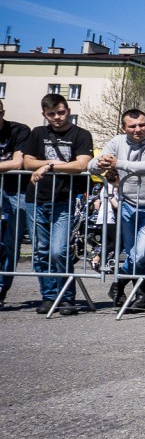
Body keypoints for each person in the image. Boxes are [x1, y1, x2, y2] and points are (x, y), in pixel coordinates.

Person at [88, 108, 145, 309]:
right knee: (135, 254)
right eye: (132, 126)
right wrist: (101, 163)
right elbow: (91, 166)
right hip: (126, 205)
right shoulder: (117, 141)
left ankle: (118, 284)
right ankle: (142, 297)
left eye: (142, 124)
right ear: (124, 128)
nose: (138, 129)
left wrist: (119, 163)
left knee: (140, 255)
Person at [22, 94, 93, 314]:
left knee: (59, 251)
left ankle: (66, 297)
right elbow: (27, 162)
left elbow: (81, 165)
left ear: (68, 111)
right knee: (40, 252)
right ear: (44, 114)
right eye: (51, 114)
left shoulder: (81, 134)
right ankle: (49, 296)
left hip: (64, 199)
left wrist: (48, 167)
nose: (57, 117)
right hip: (36, 199)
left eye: (61, 112)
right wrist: (53, 162)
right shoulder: (38, 133)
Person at [0, 101, 31, 307]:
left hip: (16, 191)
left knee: (10, 242)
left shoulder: (19, 130)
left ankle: (2, 288)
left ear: (2, 112)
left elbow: (17, 162)